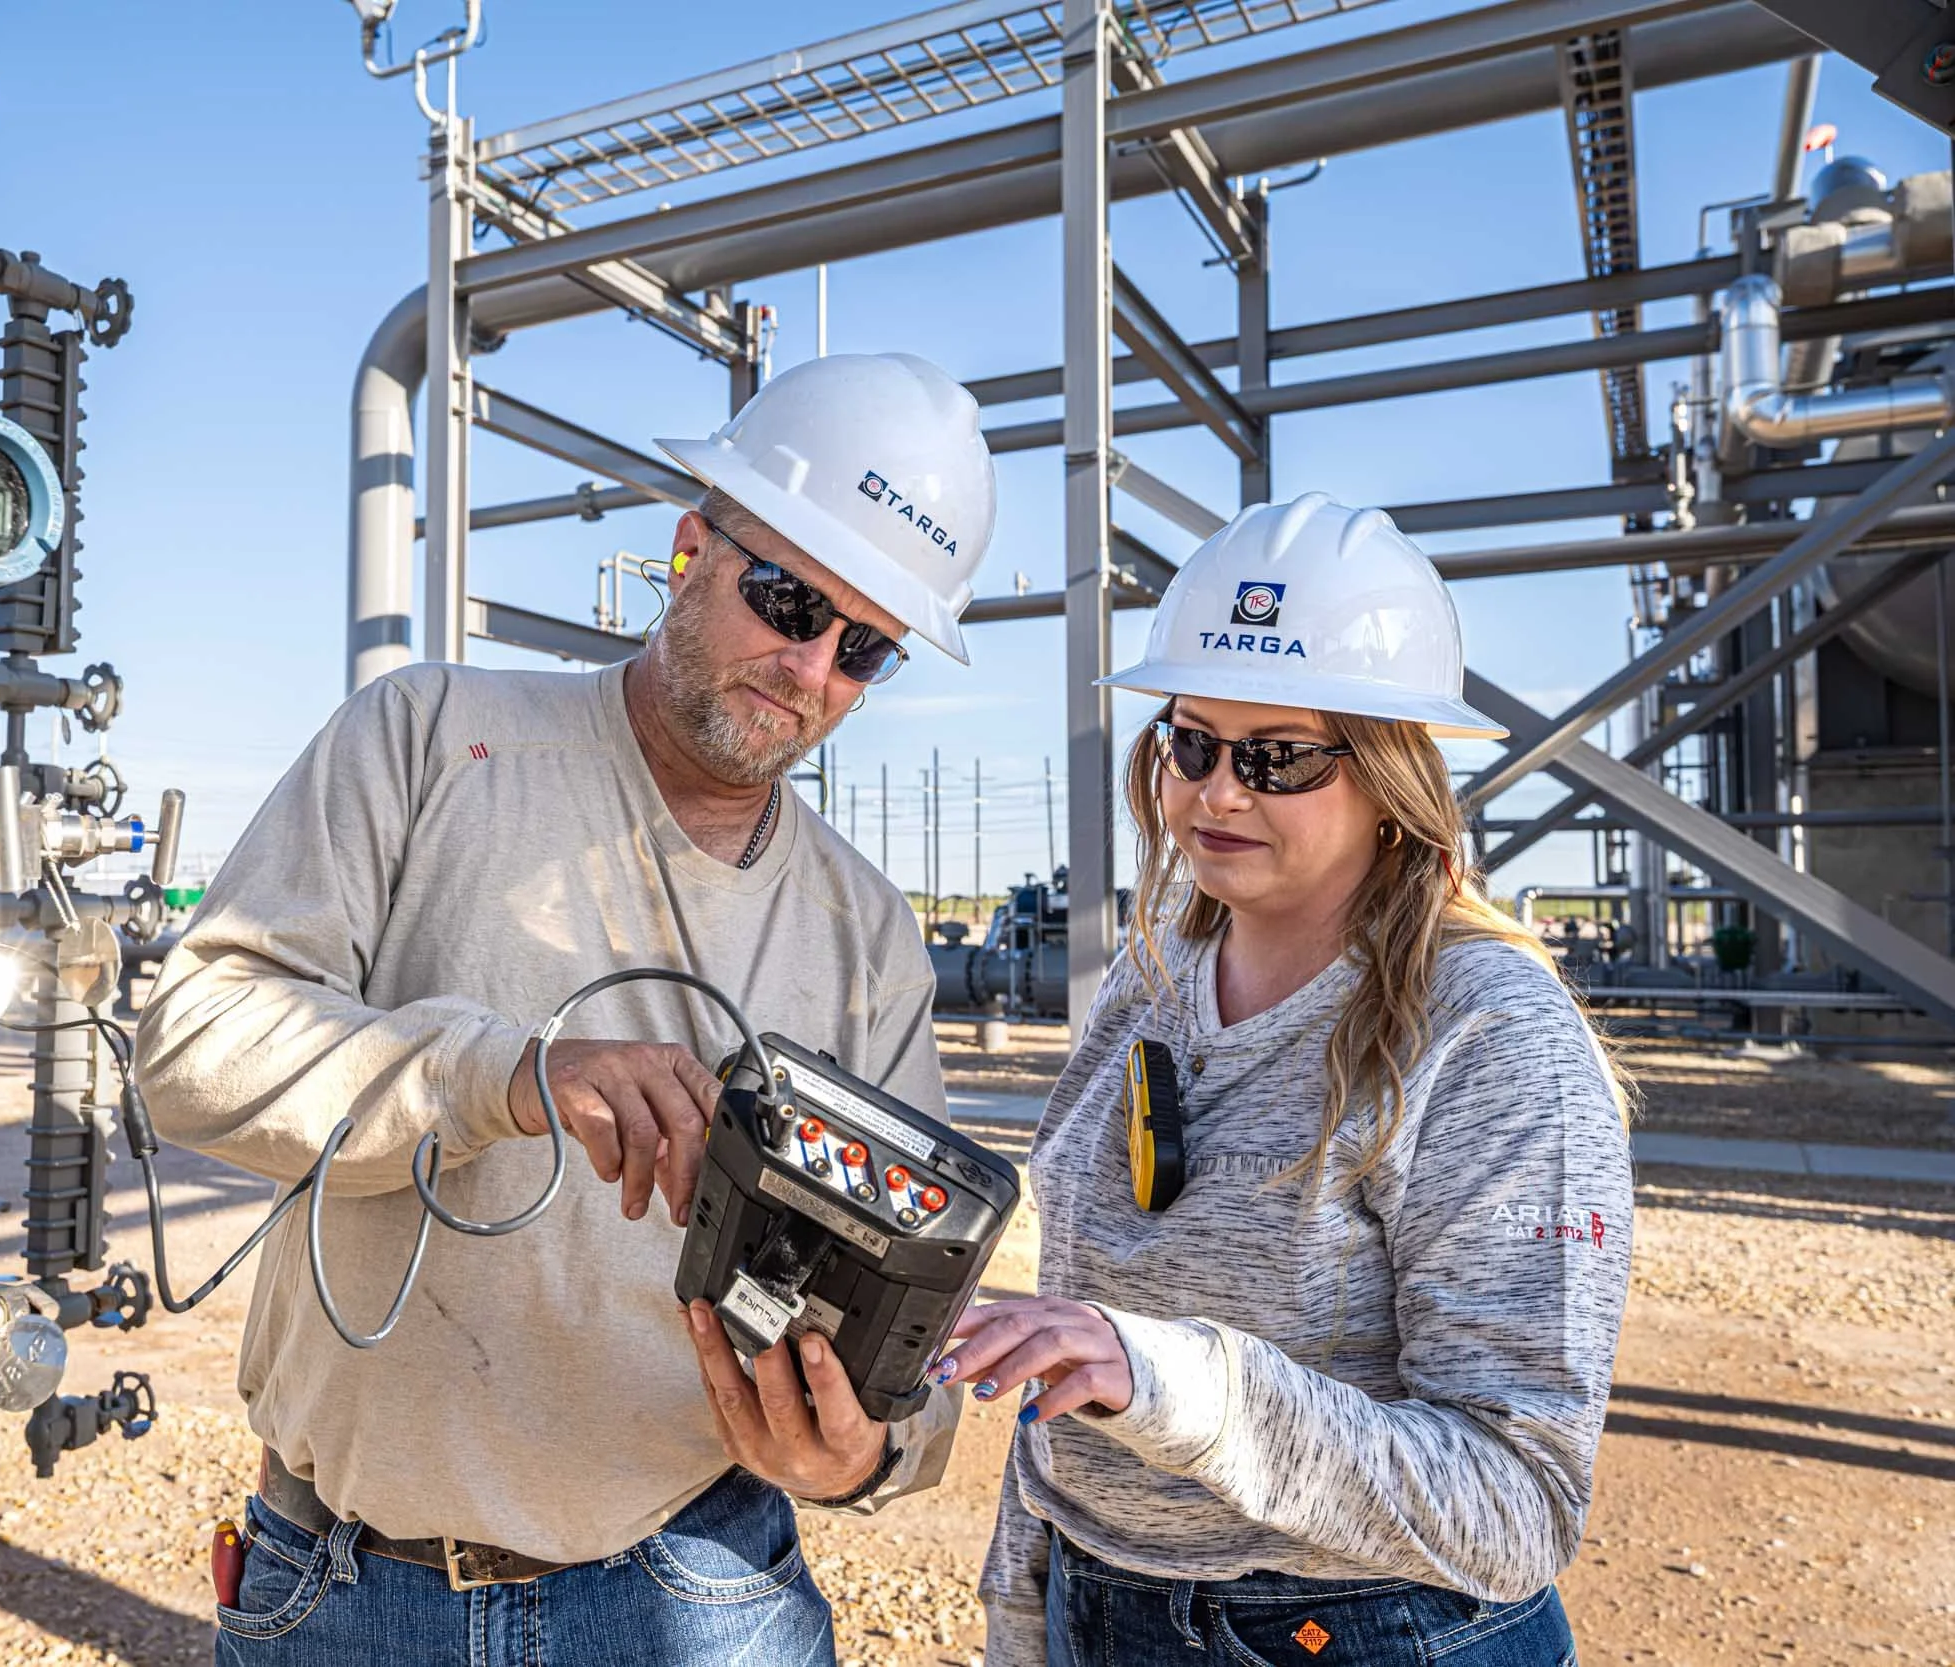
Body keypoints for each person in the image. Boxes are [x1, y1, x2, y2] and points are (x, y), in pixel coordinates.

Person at [135, 352, 999, 1666]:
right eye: (787, 597)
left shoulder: (862, 928)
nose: (809, 665)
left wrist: (869, 1444)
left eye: (864, 646)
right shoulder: (431, 739)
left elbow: (910, 1299)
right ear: (690, 547)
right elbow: (191, 1046)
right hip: (350, 1584)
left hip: (697, 1581)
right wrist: (504, 1073)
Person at [939, 495, 1632, 1667]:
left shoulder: (1487, 1035)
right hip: (1102, 1602)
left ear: (1389, 777)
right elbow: (1081, 1341)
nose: (1216, 791)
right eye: (1192, 741)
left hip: (1363, 1629)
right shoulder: (1152, 983)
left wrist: (1181, 1382)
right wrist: (1027, 1602)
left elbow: (1517, 1499)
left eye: (1277, 757)